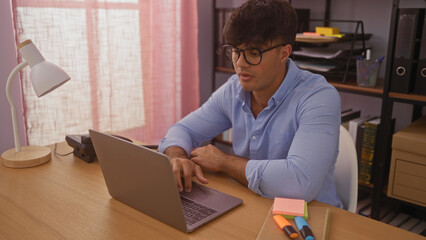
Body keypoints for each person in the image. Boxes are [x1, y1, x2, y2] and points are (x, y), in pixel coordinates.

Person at [158, 0, 342, 208]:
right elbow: (183, 129)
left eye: (254, 53)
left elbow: (300, 183)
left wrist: (224, 162)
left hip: (312, 215)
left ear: (284, 53)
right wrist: (177, 156)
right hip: (255, 205)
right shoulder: (234, 89)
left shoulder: (318, 97)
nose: (240, 63)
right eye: (236, 51)